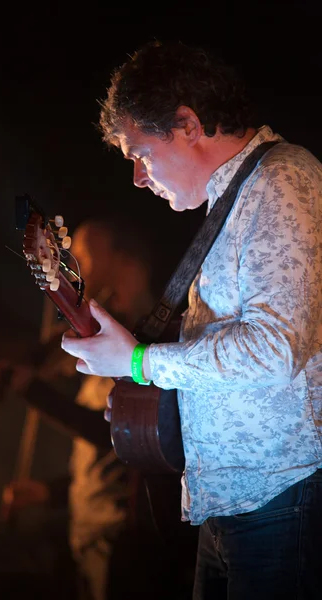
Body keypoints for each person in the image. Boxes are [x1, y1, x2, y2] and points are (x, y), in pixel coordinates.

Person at [60, 40, 322, 600]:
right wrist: (147, 393)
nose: (136, 176)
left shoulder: (280, 181)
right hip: (232, 505)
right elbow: (231, 354)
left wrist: (140, 361)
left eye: (142, 152)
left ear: (188, 123)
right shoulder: (233, 199)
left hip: (281, 503)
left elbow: (276, 351)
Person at [0, 216, 193, 600]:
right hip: (92, 537)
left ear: (129, 264)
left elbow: (120, 439)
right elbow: (110, 467)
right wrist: (51, 493)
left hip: (128, 542)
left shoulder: (150, 351)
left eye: (84, 257)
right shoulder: (105, 348)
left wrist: (34, 390)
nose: (72, 268)